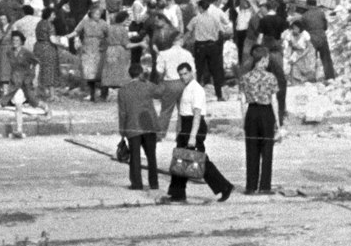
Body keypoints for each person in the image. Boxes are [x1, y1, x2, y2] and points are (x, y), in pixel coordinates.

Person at [163, 62, 234, 204]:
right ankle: (177, 193)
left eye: (185, 73)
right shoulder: (185, 88)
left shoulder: (197, 89)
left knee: (199, 159)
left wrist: (192, 136)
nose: (183, 77)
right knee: (180, 158)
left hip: (194, 125)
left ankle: (224, 186)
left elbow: (197, 114)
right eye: (181, 74)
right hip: (186, 125)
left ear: (192, 72)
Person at [237, 44, 278, 195]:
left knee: (251, 149)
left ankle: (250, 186)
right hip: (266, 112)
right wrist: (278, 123)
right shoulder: (271, 77)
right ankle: (265, 186)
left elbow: (242, 101)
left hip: (251, 112)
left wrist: (243, 120)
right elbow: (274, 100)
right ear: (263, 59)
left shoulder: (245, 78)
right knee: (267, 150)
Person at [117, 61, 161, 192]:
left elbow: (122, 112)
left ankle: (136, 183)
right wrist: (147, 81)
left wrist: (122, 130)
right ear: (141, 73)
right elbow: (159, 93)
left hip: (132, 126)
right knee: (151, 156)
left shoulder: (123, 90)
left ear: (130, 75)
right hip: (148, 124)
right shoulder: (147, 86)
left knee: (135, 157)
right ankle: (154, 183)